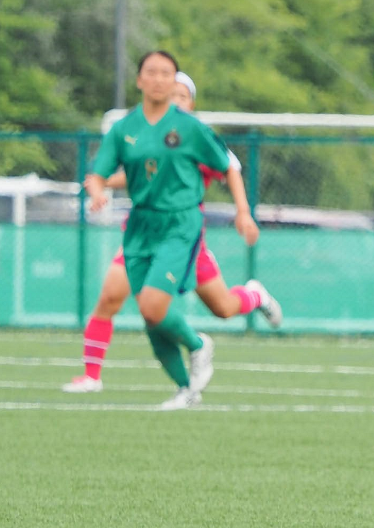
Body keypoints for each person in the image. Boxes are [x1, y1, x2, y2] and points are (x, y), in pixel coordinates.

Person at [63, 70, 281, 394]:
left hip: (184, 241)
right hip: (142, 235)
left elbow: (229, 167)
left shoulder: (196, 138)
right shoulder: (150, 136)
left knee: (223, 308)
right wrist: (103, 182)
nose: (174, 100)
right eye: (170, 95)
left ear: (191, 104)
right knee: (112, 297)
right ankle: (93, 375)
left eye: (182, 96)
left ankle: (253, 297)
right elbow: (140, 173)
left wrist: (243, 212)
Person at [83, 51, 238, 410]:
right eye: (150, 72)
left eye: (167, 75)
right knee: (148, 313)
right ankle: (185, 389)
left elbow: (228, 167)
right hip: (141, 228)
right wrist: (97, 191)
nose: (158, 80)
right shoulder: (127, 129)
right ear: (139, 80)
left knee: (214, 306)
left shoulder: (191, 130)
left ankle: (201, 343)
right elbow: (104, 173)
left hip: (183, 230)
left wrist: (243, 213)